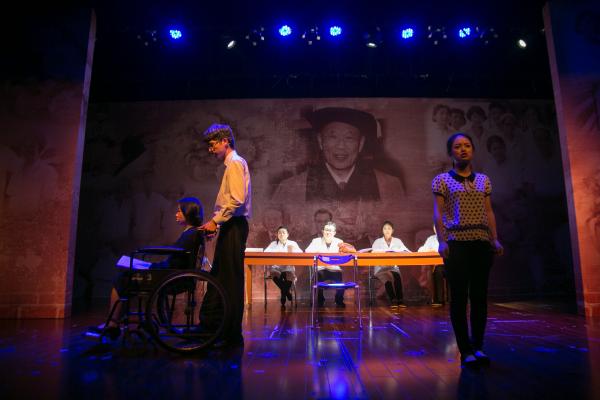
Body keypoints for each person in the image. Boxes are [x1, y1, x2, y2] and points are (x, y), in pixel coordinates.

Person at [432, 132, 503, 367]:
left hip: (481, 242)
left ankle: (478, 346)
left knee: (480, 296)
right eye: (458, 146)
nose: (463, 149)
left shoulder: (483, 180)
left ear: (473, 150)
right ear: (450, 152)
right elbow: (438, 213)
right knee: (459, 297)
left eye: (467, 145)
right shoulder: (442, 180)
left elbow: (489, 211)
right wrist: (442, 241)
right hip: (456, 242)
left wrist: (494, 238)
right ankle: (465, 350)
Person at [87, 197, 205, 339]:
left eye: (180, 211)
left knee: (121, 279)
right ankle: (115, 322)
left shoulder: (190, 235)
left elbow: (175, 260)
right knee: (127, 274)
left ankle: (113, 324)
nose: (176, 214)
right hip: (167, 273)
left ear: (188, 213)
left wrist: (151, 264)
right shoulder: (191, 233)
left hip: (168, 276)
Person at [272, 107, 404, 203]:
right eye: (333, 137)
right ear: (320, 141)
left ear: (361, 143)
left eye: (349, 138)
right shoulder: (290, 188)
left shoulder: (389, 185)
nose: (341, 146)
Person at [199, 123, 251, 348]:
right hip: (230, 225)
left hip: (234, 225)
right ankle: (216, 327)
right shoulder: (231, 164)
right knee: (221, 277)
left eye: (213, 145)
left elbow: (236, 200)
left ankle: (231, 334)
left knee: (230, 280)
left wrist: (215, 221)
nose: (210, 149)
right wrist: (217, 222)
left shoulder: (235, 163)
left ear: (225, 141)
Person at [305, 221, 347, 307]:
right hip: (321, 268)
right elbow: (307, 252)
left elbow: (343, 255)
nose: (328, 232)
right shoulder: (316, 241)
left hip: (334, 268)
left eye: (330, 230)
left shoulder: (339, 242)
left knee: (339, 278)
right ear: (323, 231)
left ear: (334, 233)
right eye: (326, 230)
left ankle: (339, 299)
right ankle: (320, 299)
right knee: (318, 277)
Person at [371, 221, 410, 307]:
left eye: (389, 228)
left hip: (393, 267)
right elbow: (373, 253)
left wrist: (399, 252)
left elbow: (406, 251)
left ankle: (400, 300)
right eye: (385, 228)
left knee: (396, 275)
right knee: (388, 278)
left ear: (393, 230)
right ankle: (393, 299)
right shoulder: (377, 241)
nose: (387, 230)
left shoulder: (397, 241)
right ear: (382, 230)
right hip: (380, 267)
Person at [264, 226, 303, 307]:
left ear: (287, 234)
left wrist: (293, 251)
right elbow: (265, 253)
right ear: (277, 234)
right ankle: (287, 292)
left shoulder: (292, 243)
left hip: (288, 266)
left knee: (288, 274)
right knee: (274, 273)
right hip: (276, 267)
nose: (281, 234)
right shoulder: (273, 244)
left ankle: (283, 293)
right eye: (279, 233)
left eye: (283, 232)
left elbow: (300, 253)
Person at [417, 226, 445, 307]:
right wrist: (429, 250)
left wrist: (436, 251)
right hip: (437, 266)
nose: (437, 229)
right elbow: (420, 250)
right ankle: (437, 299)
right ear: (433, 229)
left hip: (448, 264)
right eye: (435, 227)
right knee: (436, 271)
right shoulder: (431, 239)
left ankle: (444, 299)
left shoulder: (447, 237)